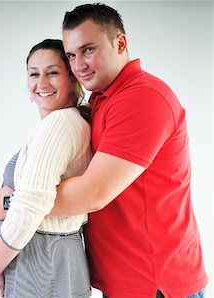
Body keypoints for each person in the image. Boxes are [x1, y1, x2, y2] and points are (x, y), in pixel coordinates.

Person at [54, 3, 209, 297]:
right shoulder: (104, 98)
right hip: (129, 282)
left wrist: (14, 204)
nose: (78, 65)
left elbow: (93, 193)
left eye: (88, 50)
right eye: (71, 55)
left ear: (120, 43)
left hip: (156, 286)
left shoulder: (141, 97)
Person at [0, 39, 92, 298]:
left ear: (72, 78)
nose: (42, 83)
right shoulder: (63, 122)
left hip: (42, 261)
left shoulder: (60, 124)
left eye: (52, 72)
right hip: (43, 260)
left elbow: (33, 203)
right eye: (34, 74)